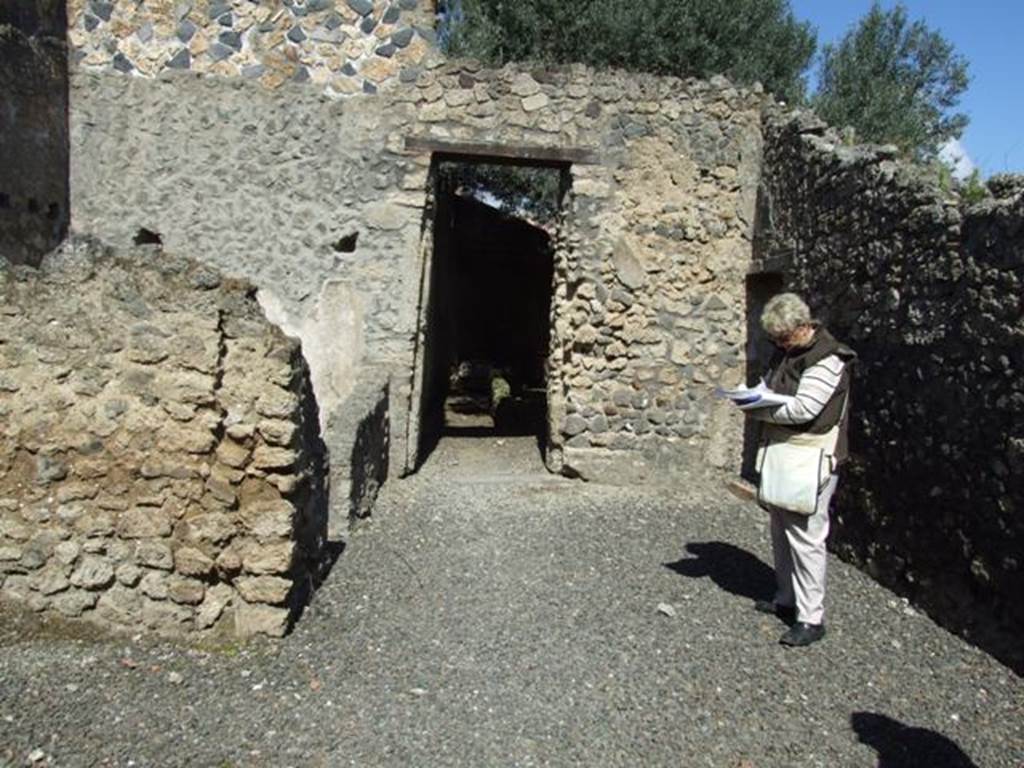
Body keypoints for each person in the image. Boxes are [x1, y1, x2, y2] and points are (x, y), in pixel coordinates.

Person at [747, 293, 856, 647]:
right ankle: (787, 598)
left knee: (807, 536)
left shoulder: (828, 359)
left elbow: (805, 409)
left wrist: (758, 410)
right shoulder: (789, 353)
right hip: (785, 453)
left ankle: (811, 617)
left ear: (802, 326)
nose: (779, 344)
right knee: (780, 526)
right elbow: (772, 389)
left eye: (784, 337)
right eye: (776, 339)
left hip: (811, 456)